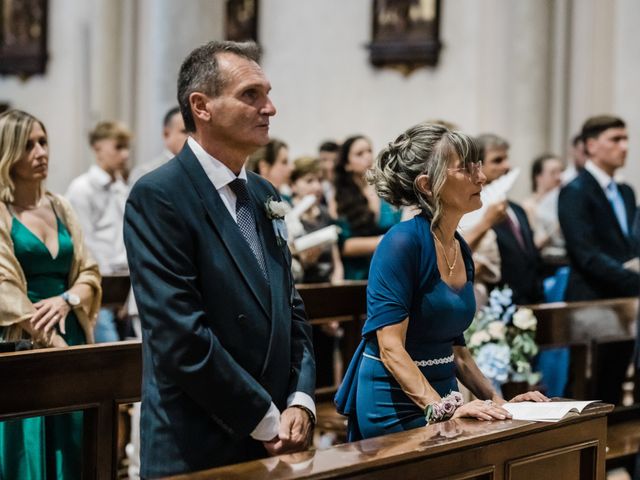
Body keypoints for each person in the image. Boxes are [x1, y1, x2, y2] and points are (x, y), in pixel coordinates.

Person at [123, 40, 316, 477]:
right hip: (199, 438)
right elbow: (180, 335)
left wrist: (300, 401)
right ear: (201, 106)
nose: (270, 108)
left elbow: (292, 309)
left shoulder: (266, 195)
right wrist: (264, 419)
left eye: (267, 93)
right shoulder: (160, 195)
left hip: (277, 434)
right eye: (251, 94)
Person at [335, 123, 547, 441]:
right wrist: (440, 408)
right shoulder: (401, 243)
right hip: (395, 402)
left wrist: (501, 403)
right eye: (466, 169)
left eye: (478, 166)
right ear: (427, 185)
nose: (482, 178)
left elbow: (458, 350)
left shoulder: (459, 246)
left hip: (445, 396)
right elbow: (390, 347)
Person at [0, 109, 102, 479]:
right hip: (23, 339)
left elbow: (88, 269)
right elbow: (3, 289)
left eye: (43, 142)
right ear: (8, 153)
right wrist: (51, 342)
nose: (41, 152)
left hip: (69, 330)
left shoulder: (61, 206)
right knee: (28, 442)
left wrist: (68, 299)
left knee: (72, 438)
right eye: (28, 145)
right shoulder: (1, 211)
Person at [558, 115, 639, 301]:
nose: (624, 147)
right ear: (591, 145)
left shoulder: (626, 191)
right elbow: (586, 255)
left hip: (626, 296)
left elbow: (631, 244)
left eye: (626, 139)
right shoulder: (574, 191)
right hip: (591, 296)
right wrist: (634, 281)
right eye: (615, 140)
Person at [66, 121, 131, 342]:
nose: (125, 154)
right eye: (118, 147)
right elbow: (84, 241)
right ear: (97, 147)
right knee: (108, 354)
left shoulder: (122, 186)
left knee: (129, 355)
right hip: (99, 283)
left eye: (127, 147)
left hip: (125, 282)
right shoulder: (81, 188)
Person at [334, 135, 402, 280]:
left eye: (369, 151)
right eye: (360, 154)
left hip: (389, 270)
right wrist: (384, 241)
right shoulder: (339, 198)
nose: (368, 157)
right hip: (357, 273)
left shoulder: (386, 191)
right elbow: (344, 245)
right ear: (347, 164)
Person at [289, 156, 343, 284]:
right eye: (309, 181)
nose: (317, 187)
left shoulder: (324, 213)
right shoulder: (289, 215)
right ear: (293, 186)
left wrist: (337, 282)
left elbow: (336, 261)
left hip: (327, 285)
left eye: (320, 180)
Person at [522, 153, 567, 272]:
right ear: (538, 176)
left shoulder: (566, 201)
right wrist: (558, 225)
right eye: (553, 173)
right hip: (546, 265)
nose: (559, 177)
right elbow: (536, 243)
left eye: (561, 172)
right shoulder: (529, 206)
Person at [129, 106, 188, 185]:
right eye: (185, 132)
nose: (191, 137)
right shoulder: (145, 173)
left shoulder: (201, 169)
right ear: (166, 134)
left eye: (194, 132)